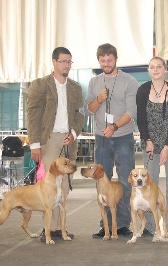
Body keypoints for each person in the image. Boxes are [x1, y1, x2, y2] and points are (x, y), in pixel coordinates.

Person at [27, 47, 84, 242]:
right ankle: (47, 230)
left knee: (65, 186)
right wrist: (34, 144)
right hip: (48, 139)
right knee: (50, 185)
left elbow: (80, 113)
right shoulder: (40, 85)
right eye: (62, 61)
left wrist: (74, 133)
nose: (66, 65)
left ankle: (61, 230)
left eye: (69, 62)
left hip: (69, 139)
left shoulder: (75, 87)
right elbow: (32, 115)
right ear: (53, 62)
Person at [84, 43, 139, 238]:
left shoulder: (129, 81)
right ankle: (105, 225)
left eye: (109, 59)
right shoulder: (94, 82)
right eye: (102, 60)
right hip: (102, 140)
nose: (106, 63)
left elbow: (132, 111)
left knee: (125, 181)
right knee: (101, 182)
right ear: (99, 60)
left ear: (116, 59)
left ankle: (123, 224)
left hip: (123, 137)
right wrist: (98, 100)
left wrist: (114, 126)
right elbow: (88, 109)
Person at [136, 56, 168, 237]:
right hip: (150, 145)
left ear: (165, 70)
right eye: (152, 67)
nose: (155, 69)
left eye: (159, 67)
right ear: (149, 70)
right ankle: (149, 226)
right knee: (149, 185)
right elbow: (141, 118)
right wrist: (147, 140)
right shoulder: (142, 90)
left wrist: (166, 147)